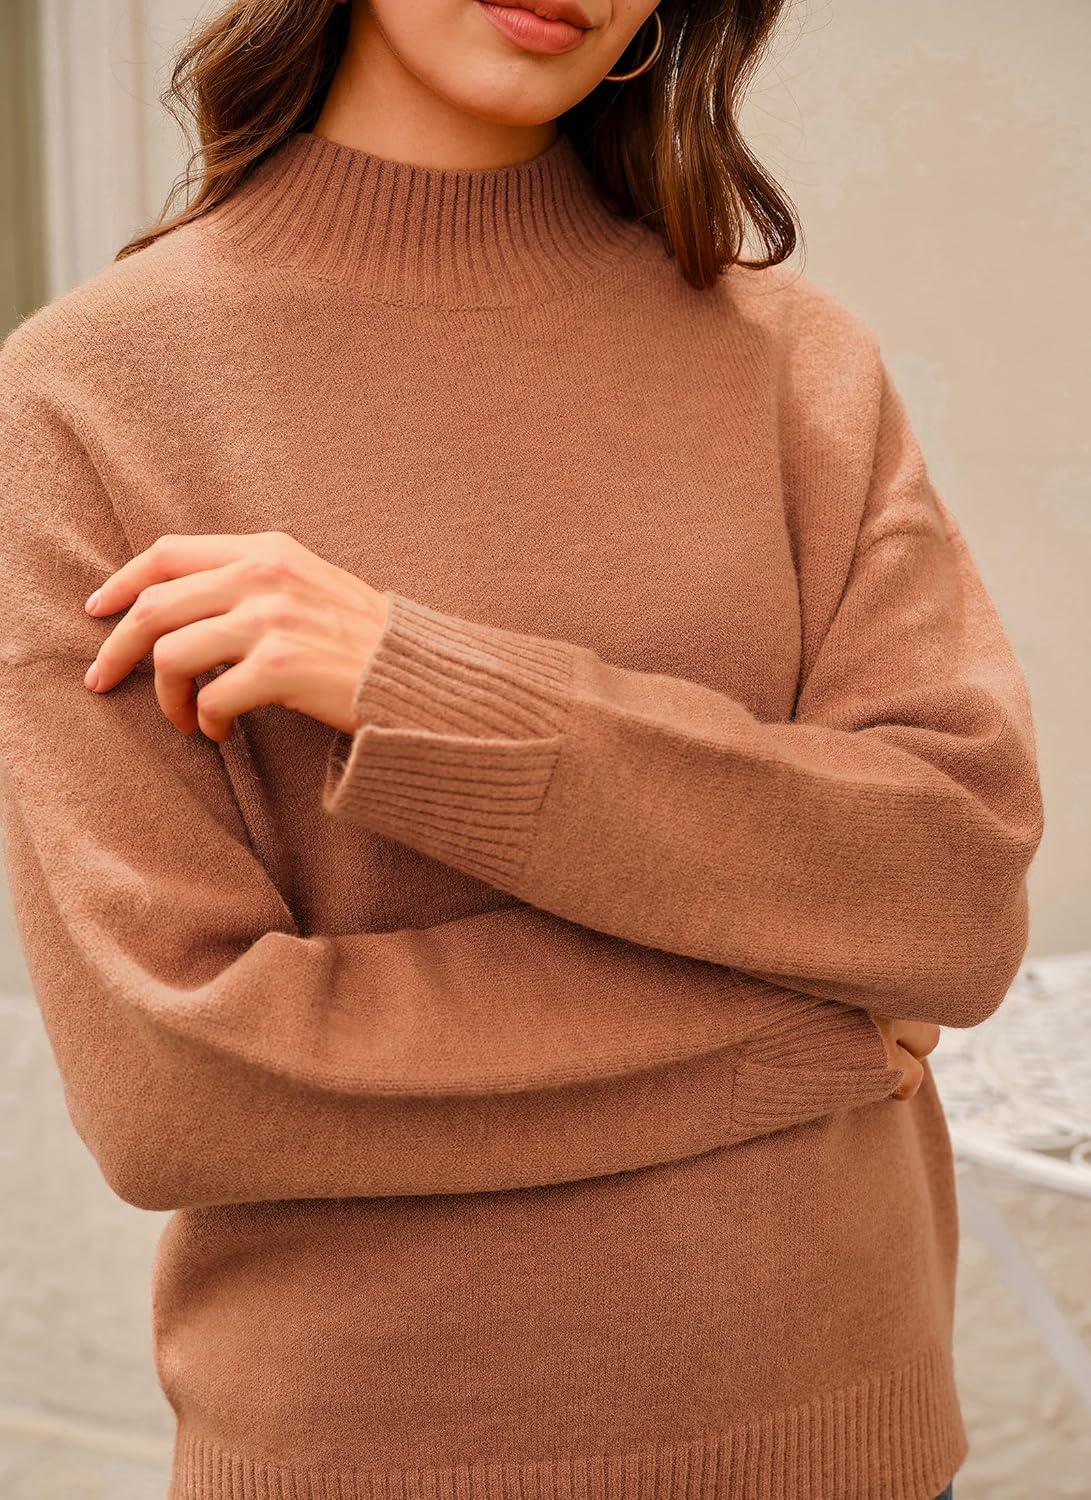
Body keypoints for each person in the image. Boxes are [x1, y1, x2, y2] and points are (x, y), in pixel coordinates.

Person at [0, 2, 1044, 1497]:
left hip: (854, 1438)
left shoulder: (791, 359)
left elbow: (949, 888)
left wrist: (417, 684)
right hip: (377, 1459)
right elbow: (179, 1077)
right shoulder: (90, 398)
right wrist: (804, 1030)